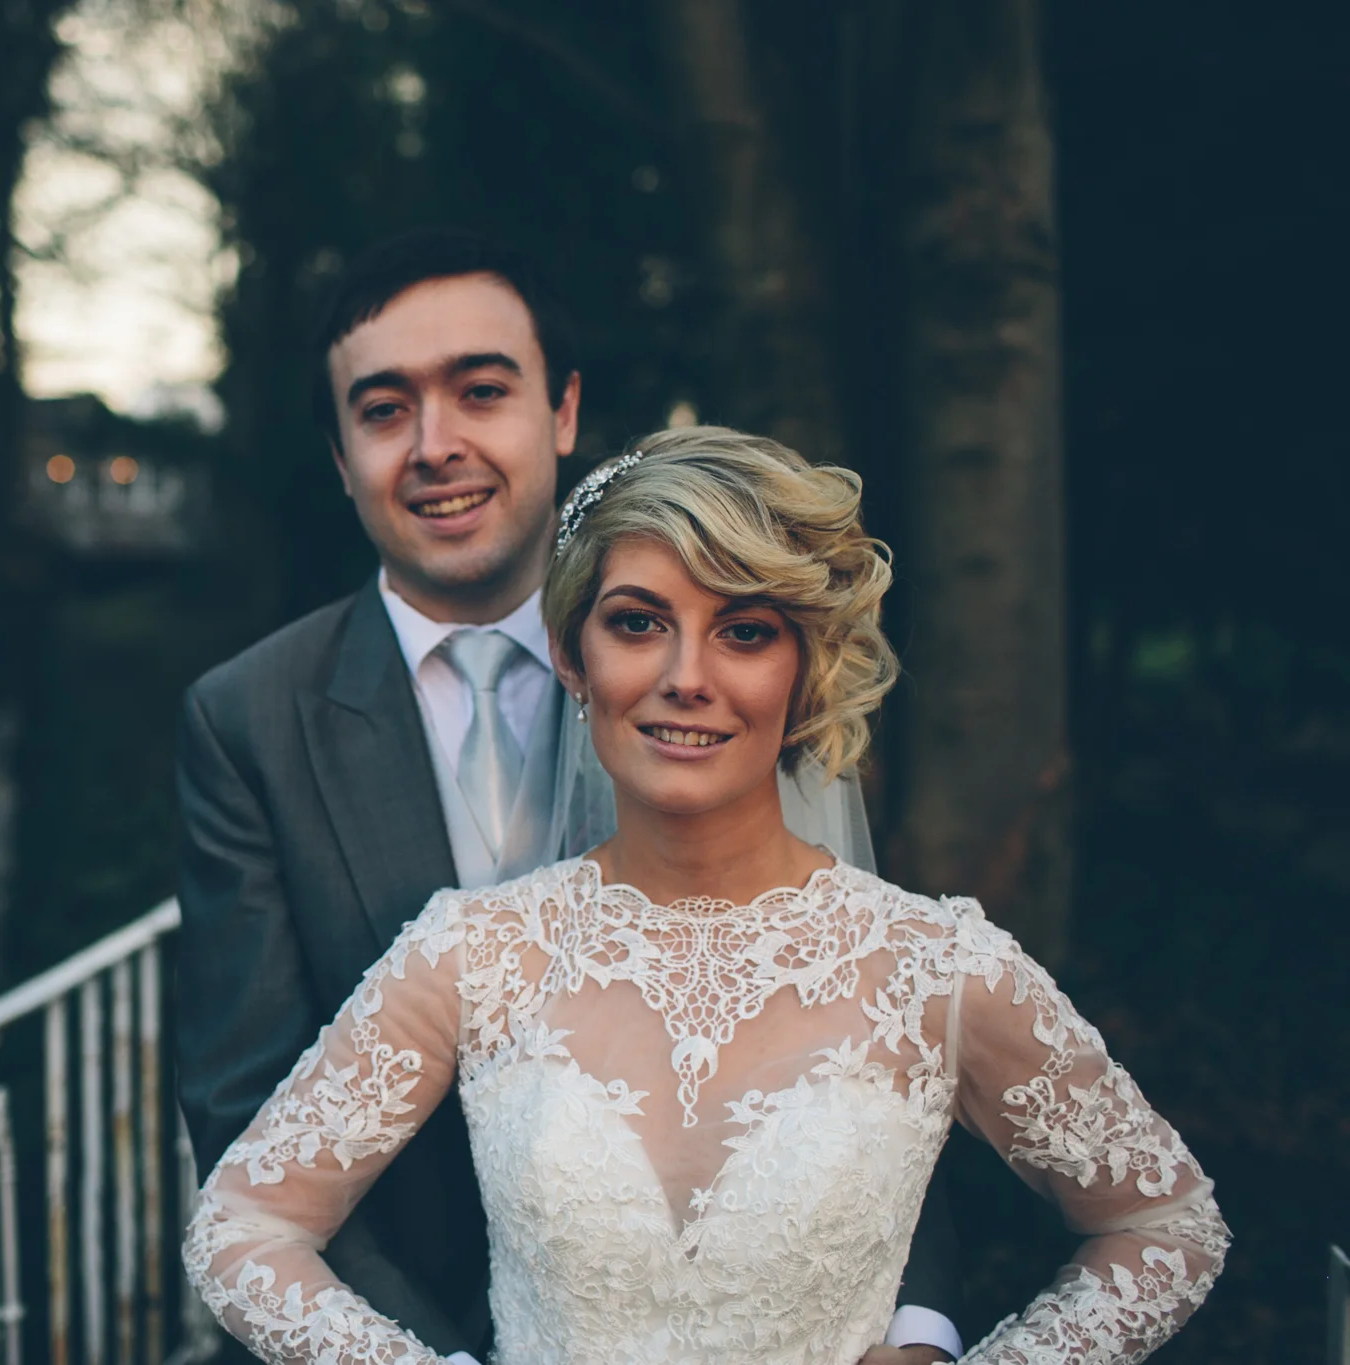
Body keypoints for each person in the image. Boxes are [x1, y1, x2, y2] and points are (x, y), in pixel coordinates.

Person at [183, 427, 1228, 1365]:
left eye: (743, 631)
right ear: (570, 655)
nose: (686, 676)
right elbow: (240, 1227)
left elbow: (1166, 1225)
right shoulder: (475, 954)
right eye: (638, 623)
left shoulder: (932, 967)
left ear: (803, 668)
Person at [173, 229, 960, 1365]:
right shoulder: (244, 719)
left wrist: (917, 1327)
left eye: (480, 391)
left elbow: (871, 1033)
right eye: (384, 410)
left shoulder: (731, 672)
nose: (435, 446)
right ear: (340, 456)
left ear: (561, 411)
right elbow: (248, 1114)